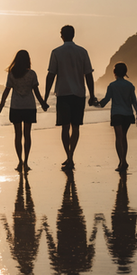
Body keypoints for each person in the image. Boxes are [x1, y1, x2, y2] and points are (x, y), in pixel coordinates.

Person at [43, 25, 97, 170]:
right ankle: (71, 155)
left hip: (63, 93)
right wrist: (92, 95)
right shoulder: (82, 52)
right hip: (79, 93)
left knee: (65, 127)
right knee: (76, 126)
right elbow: (88, 75)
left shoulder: (56, 52)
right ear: (73, 35)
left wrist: (45, 97)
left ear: (62, 35)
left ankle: (68, 156)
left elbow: (51, 75)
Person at [0, 50, 49, 173]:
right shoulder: (32, 74)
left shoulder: (12, 73)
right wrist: (42, 103)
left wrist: (1, 105)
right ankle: (26, 162)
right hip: (29, 107)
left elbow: (7, 90)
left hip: (16, 106)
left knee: (17, 135)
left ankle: (19, 161)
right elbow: (36, 91)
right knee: (27, 135)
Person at [95, 61, 137, 173]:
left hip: (117, 114)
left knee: (118, 138)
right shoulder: (130, 85)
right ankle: (123, 161)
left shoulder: (112, 86)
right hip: (128, 114)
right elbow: (134, 101)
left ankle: (122, 161)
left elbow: (105, 102)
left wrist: (94, 103)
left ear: (114, 72)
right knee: (124, 137)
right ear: (125, 72)